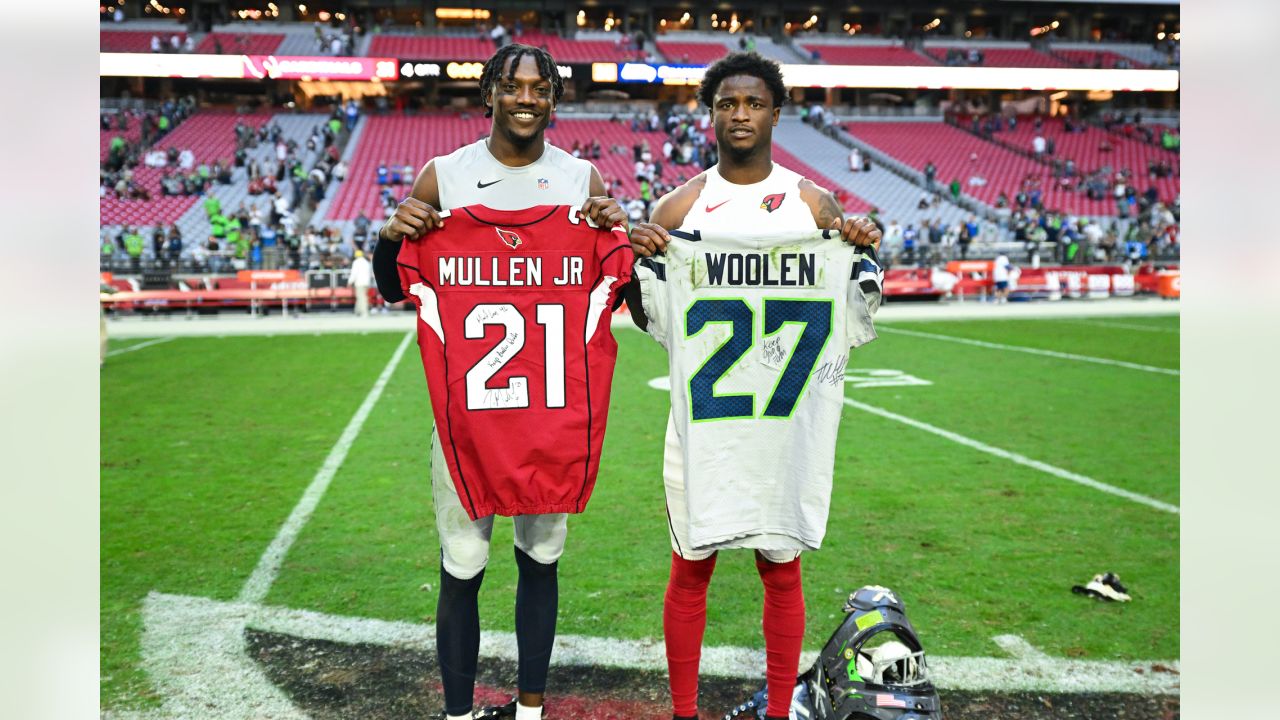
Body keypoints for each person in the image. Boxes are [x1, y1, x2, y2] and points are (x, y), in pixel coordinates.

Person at [370, 43, 627, 720]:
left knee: (540, 560)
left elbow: (617, 286)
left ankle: (531, 710)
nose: (526, 98)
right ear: (489, 92)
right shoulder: (445, 176)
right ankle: (459, 714)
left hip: (549, 416)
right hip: (472, 419)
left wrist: (617, 228)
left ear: (555, 100)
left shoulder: (582, 181)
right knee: (462, 567)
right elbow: (392, 281)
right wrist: (390, 236)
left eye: (540, 88)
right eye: (513, 86)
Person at [624, 52, 880, 720]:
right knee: (691, 567)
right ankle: (684, 712)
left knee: (781, 566)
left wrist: (861, 239)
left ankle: (776, 711)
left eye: (754, 103)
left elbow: (853, 289)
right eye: (727, 103)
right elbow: (652, 316)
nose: (741, 114)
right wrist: (638, 255)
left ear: (775, 111)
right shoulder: (677, 205)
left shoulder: (811, 203)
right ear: (710, 112)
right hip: (706, 421)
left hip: (782, 420)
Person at [347, 249, 372, 316]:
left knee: (361, 297)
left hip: (359, 282)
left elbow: (354, 273)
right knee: (360, 297)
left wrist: (350, 282)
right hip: (367, 282)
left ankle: (364, 312)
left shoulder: (356, 262)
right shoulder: (366, 262)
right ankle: (357, 312)